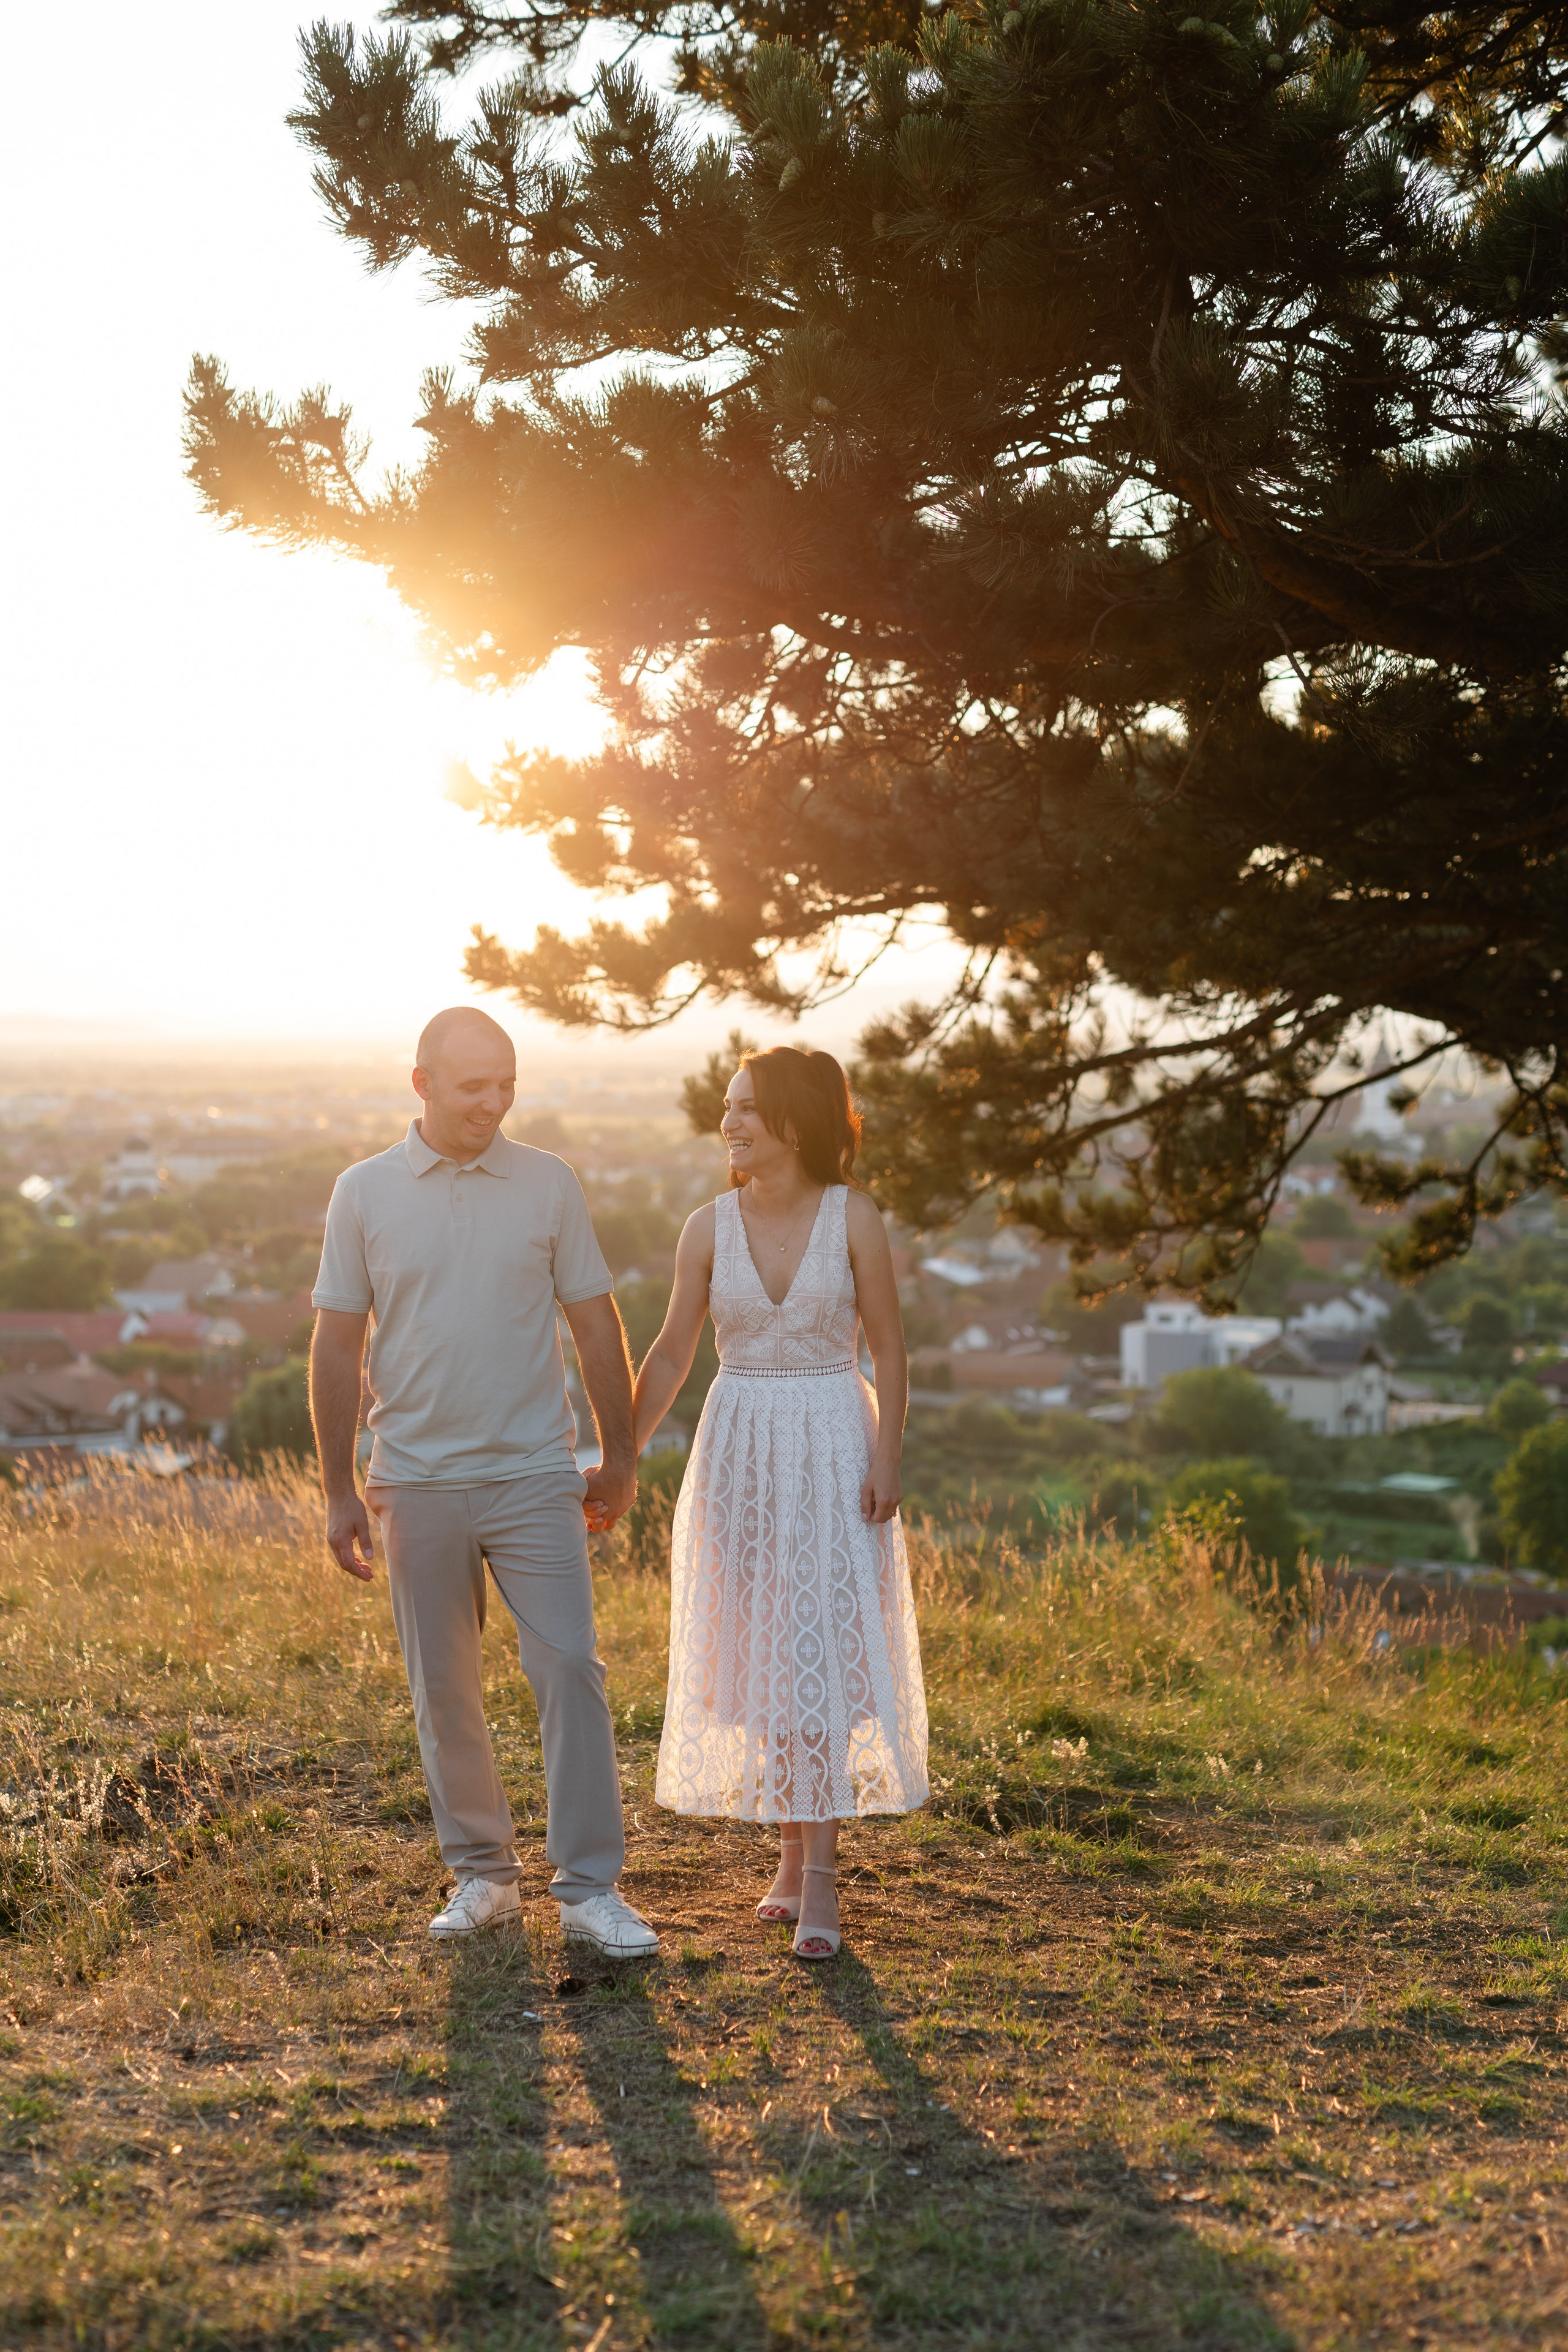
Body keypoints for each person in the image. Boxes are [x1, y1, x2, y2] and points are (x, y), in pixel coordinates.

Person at [309, 1006, 658, 1957]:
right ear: (422, 1085)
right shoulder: (364, 1192)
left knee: (570, 1671)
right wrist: (341, 1490)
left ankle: (590, 1892)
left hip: (536, 1474)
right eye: (474, 1087)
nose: (494, 1103)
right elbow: (336, 1346)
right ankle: (485, 1879)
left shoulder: (551, 1185)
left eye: (506, 1084)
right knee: (444, 1689)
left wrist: (619, 1458)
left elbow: (597, 1326)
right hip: (414, 1481)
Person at [632, 1046, 929, 1960]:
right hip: (740, 1452)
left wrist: (888, 1457)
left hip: (834, 1444)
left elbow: (889, 1346)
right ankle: (792, 1860)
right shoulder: (704, 1227)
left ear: (797, 1119)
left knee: (824, 1654)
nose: (729, 1123)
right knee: (765, 1650)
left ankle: (824, 1881)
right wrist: (618, 1457)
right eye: (726, 1107)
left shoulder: (856, 1219)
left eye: (748, 1108)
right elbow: (675, 1353)